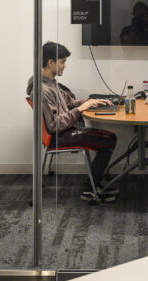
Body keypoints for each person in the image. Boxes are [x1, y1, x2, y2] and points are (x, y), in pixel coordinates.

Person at [26, 42, 119, 202]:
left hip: (66, 130)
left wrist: (93, 101)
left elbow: (70, 103)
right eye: (62, 61)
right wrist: (82, 109)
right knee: (108, 140)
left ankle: (95, 181)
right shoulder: (42, 90)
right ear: (51, 62)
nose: (64, 66)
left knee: (108, 138)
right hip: (59, 136)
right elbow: (54, 125)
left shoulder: (51, 83)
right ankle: (90, 189)